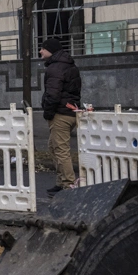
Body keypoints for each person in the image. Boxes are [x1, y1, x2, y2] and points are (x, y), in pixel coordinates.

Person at [40, 37, 82, 195]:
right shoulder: (69, 65)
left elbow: (53, 94)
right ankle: (61, 182)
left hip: (60, 114)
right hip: (70, 111)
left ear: (50, 50)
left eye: (43, 48)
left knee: (61, 150)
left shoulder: (55, 68)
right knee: (54, 147)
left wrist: (48, 113)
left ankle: (69, 185)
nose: (40, 51)